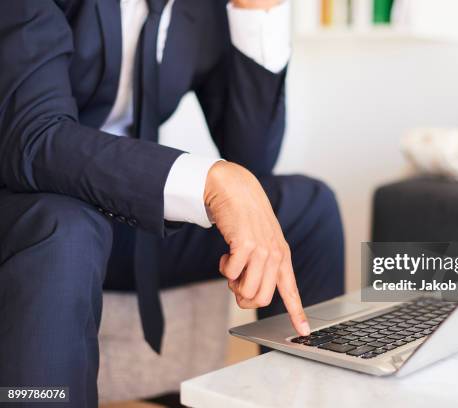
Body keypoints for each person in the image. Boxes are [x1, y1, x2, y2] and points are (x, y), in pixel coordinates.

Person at [0, 0, 344, 406]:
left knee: (307, 207)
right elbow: (34, 139)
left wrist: (256, 10)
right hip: (22, 203)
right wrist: (208, 181)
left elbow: (253, 156)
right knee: (68, 226)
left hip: (109, 213)